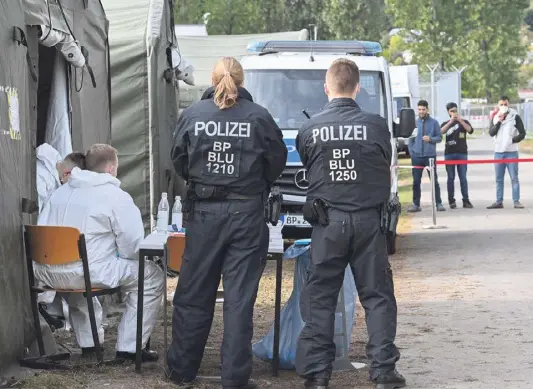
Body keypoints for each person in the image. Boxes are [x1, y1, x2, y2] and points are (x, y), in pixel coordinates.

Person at [167, 57, 287, 389]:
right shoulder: (259, 117)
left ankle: (181, 372)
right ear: (241, 80)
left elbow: (179, 160)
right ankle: (234, 378)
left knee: (193, 294)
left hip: (204, 214)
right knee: (239, 299)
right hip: (247, 215)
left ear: (213, 77)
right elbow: (276, 161)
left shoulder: (193, 115)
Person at [294, 58, 405, 389]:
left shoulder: (310, 128)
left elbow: (308, 161)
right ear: (357, 88)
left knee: (320, 298)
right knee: (378, 297)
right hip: (369, 222)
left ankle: (317, 375)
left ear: (326, 87)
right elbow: (383, 160)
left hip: (328, 223)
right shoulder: (376, 126)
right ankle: (384, 372)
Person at [35, 144, 164, 361]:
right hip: (86, 273)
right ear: (112, 168)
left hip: (48, 273)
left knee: (77, 279)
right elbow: (133, 247)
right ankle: (130, 348)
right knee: (151, 275)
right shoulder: (115, 196)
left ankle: (90, 345)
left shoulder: (59, 193)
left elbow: (41, 228)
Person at [36, 144, 87, 331]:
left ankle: (51, 310)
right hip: (47, 259)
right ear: (68, 175)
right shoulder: (44, 182)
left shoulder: (51, 171)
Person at [407, 100, 446, 213]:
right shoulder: (414, 123)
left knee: (434, 181)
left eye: (423, 109)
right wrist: (412, 152)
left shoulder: (434, 123)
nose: (421, 111)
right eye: (419, 109)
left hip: (430, 156)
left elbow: (439, 138)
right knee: (416, 182)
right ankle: (416, 204)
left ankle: (438, 203)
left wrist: (431, 139)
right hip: (416, 157)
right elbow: (410, 139)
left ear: (427, 110)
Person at [487, 96, 526, 209]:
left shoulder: (515, 116)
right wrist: (499, 120)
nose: (503, 106)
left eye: (505, 104)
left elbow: (522, 133)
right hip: (498, 152)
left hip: (511, 152)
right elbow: (491, 133)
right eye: (501, 104)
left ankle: (516, 201)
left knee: (514, 178)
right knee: (499, 179)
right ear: (498, 106)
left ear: (509, 104)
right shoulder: (495, 117)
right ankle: (499, 201)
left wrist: (513, 140)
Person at [440, 102, 474, 209]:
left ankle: (466, 200)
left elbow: (470, 130)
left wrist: (460, 120)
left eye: (455, 110)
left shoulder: (464, 122)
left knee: (463, 177)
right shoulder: (446, 123)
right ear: (448, 112)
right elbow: (441, 132)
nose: (454, 113)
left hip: (462, 153)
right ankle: (451, 201)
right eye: (451, 111)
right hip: (449, 153)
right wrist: (451, 122)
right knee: (450, 177)